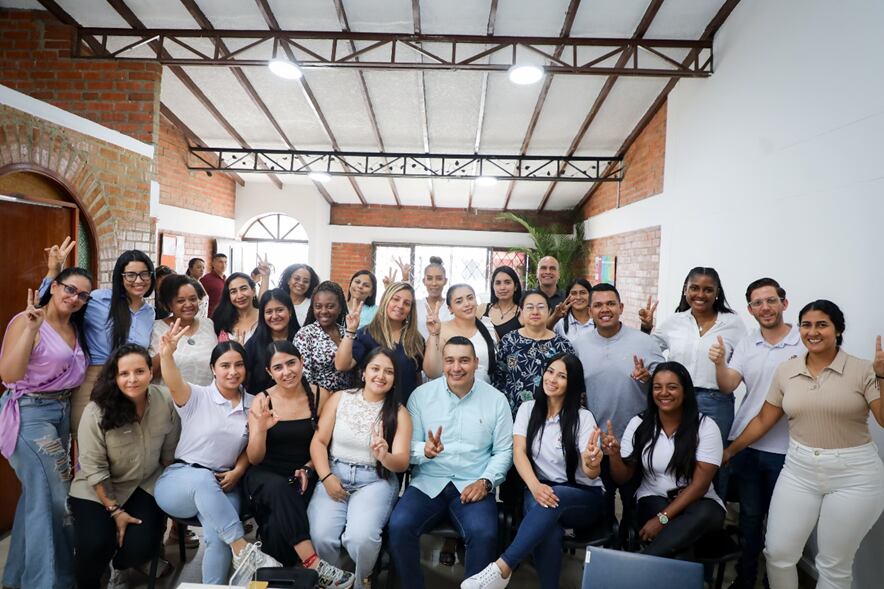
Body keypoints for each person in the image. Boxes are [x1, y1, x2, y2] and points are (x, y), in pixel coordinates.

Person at [724, 300, 884, 589]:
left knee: (833, 566)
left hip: (854, 475)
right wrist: (730, 451)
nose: (813, 331)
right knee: (778, 554)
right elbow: (763, 419)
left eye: (822, 324)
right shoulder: (787, 371)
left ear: (838, 330)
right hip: (799, 469)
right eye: (806, 325)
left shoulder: (862, 369)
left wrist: (882, 376)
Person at [462, 353, 605, 589]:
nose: (552, 379)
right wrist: (535, 486)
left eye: (562, 376)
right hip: (538, 489)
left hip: (582, 496)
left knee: (554, 500)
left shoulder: (583, 417)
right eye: (550, 371)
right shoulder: (528, 409)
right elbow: (518, 452)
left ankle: (502, 568)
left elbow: (590, 474)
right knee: (548, 529)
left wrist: (592, 461)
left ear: (574, 384)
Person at [154, 324, 282, 583]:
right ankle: (244, 551)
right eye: (225, 365)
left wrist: (239, 470)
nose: (233, 372)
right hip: (181, 480)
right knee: (203, 480)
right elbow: (172, 379)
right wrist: (166, 354)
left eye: (238, 365)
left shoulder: (255, 402)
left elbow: (250, 448)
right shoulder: (197, 396)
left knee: (217, 536)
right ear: (213, 369)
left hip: (224, 484)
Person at [388, 337, 513, 588]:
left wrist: (486, 482)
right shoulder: (421, 396)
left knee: (485, 533)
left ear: (476, 363)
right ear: (443, 363)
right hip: (428, 482)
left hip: (473, 483)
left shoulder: (496, 400)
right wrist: (426, 450)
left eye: (464, 360)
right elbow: (406, 447)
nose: (457, 367)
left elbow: (503, 451)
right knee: (399, 526)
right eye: (450, 360)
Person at [707, 278, 803, 589]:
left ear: (784, 303)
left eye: (771, 300)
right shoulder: (748, 342)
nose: (765, 307)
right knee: (749, 518)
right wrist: (720, 364)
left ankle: (779, 580)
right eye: (757, 303)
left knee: (783, 524)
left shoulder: (804, 341)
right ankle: (746, 579)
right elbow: (728, 385)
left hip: (787, 450)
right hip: (746, 445)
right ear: (750, 309)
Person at [0, 268, 92, 589]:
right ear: (53, 287)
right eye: (69, 289)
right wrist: (30, 330)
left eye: (83, 295)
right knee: (57, 499)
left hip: (61, 413)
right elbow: (10, 375)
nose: (75, 298)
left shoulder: (75, 326)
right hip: (31, 413)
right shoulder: (26, 321)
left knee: (36, 497)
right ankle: (52, 582)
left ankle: (16, 577)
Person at [68, 344, 181, 589]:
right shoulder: (96, 411)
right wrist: (115, 511)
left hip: (144, 485)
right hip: (97, 491)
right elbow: (94, 469)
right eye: (124, 374)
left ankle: (120, 565)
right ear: (115, 377)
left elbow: (168, 454)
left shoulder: (164, 400)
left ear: (151, 372)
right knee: (96, 544)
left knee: (141, 546)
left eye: (139, 371)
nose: (132, 379)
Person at [244, 340, 355, 588]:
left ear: (302, 362)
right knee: (279, 488)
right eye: (278, 367)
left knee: (275, 528)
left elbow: (325, 443)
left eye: (291, 363)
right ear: (269, 373)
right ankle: (313, 563)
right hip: (265, 476)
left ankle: (275, 581)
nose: (287, 372)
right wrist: (260, 430)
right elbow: (254, 459)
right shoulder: (262, 400)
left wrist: (309, 467)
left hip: (306, 472)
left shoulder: (319, 394)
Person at [309, 348, 412, 588]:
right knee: (321, 535)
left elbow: (402, 461)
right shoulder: (340, 398)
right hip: (334, 473)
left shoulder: (399, 413)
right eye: (375, 369)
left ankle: (362, 579)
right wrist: (326, 477)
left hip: (375, 480)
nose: (381, 376)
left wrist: (384, 455)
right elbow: (319, 442)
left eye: (389, 372)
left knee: (360, 539)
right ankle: (333, 581)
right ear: (363, 372)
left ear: (395, 379)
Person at [605, 362, 725, 557]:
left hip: (699, 502)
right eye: (657, 387)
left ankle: (636, 566)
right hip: (654, 499)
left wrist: (662, 519)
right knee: (681, 547)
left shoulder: (706, 427)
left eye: (672, 387)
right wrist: (614, 456)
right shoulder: (639, 424)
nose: (664, 393)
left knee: (703, 514)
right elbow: (622, 478)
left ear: (685, 391)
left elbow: (700, 486)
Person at [640, 267, 746, 486]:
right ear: (685, 290)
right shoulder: (675, 321)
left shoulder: (733, 323)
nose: (700, 294)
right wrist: (646, 327)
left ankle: (713, 512)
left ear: (717, 292)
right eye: (694, 288)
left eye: (708, 289)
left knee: (715, 460)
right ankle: (678, 511)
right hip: (678, 400)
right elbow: (648, 349)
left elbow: (743, 360)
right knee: (678, 456)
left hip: (717, 402)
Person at [40, 238, 155, 439]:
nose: (138, 280)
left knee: (121, 445)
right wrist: (53, 271)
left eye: (144, 274)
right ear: (120, 277)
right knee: (88, 444)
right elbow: (50, 306)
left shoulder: (149, 312)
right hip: (93, 380)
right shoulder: (99, 299)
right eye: (131, 274)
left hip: (128, 384)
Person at [572, 283, 664, 534]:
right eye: (598, 305)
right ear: (590, 311)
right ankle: (602, 555)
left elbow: (666, 383)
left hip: (636, 438)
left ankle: (629, 549)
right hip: (595, 440)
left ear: (621, 307)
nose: (605, 309)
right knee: (599, 509)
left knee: (634, 507)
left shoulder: (644, 342)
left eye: (611, 304)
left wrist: (649, 378)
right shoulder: (579, 345)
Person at [336, 282, 424, 402]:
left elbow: (417, 377)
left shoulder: (416, 339)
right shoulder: (366, 334)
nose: (400, 305)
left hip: (405, 408)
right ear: (386, 300)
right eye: (396, 299)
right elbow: (342, 365)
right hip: (372, 407)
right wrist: (351, 330)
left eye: (407, 303)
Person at [494, 290, 574, 417]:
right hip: (513, 415)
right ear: (521, 311)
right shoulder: (509, 341)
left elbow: (572, 383)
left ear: (549, 311)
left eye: (541, 307)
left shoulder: (562, 345)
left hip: (552, 418)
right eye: (530, 307)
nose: (535, 312)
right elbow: (498, 379)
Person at [149, 274, 216, 386]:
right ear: (169, 304)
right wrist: (165, 353)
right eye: (180, 301)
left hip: (207, 399)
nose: (188, 304)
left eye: (193, 299)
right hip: (169, 400)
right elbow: (148, 373)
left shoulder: (209, 324)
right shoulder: (156, 328)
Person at [424, 284, 498, 383]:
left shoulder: (488, 326)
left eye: (470, 298)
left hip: (484, 393)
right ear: (450, 308)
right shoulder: (441, 330)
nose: (467, 304)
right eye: (459, 301)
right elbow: (432, 373)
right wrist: (434, 334)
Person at [295, 281, 355, 392]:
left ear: (340, 308)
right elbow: (304, 378)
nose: (323, 311)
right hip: (318, 400)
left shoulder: (347, 333)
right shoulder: (305, 335)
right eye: (318, 306)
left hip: (346, 400)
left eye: (330, 306)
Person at [244, 289, 301, 395]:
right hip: (261, 406)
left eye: (279, 310)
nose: (274, 316)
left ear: (290, 311)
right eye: (269, 312)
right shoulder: (253, 344)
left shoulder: (303, 339)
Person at [213, 273, 260, 344]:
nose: (239, 296)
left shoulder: (265, 317)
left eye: (243, 289)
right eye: (233, 291)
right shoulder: (221, 319)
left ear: (253, 291)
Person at [479, 266, 522, 339]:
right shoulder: (482, 309)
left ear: (516, 286)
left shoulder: (522, 312)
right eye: (498, 283)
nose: (502, 287)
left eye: (507, 282)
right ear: (493, 287)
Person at [415, 257, 452, 340]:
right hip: (418, 352)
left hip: (446, 352)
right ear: (424, 281)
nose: (434, 283)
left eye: (439, 278)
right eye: (429, 278)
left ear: (445, 281)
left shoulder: (451, 307)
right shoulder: (416, 305)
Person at [552, 278, 594, 343]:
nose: (578, 297)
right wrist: (555, 317)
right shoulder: (560, 323)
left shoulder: (598, 321)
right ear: (568, 298)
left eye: (583, 293)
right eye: (574, 293)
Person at [200, 252, 227, 318]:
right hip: (211, 318)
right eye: (220, 262)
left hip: (225, 317)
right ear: (213, 263)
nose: (223, 265)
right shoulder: (206, 280)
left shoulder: (227, 280)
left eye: (225, 262)